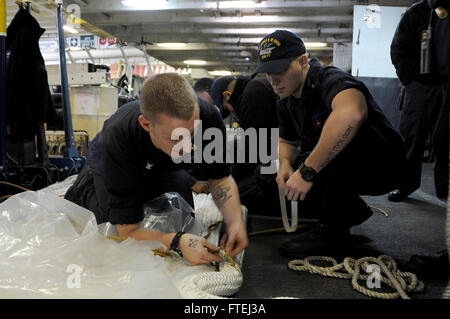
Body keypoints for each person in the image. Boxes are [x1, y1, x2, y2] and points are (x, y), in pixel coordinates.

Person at [65, 73, 248, 266]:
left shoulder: (207, 117)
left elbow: (219, 178)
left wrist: (234, 220)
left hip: (161, 162)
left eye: (192, 134)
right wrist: (176, 241)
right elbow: (128, 230)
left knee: (182, 218)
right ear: (146, 124)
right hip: (111, 159)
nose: (187, 148)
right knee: (110, 227)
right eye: (176, 138)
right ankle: (86, 187)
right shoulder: (117, 137)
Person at [252, 30, 406, 255]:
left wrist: (307, 172)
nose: (273, 80)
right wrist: (284, 164)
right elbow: (287, 140)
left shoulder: (329, 79)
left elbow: (352, 113)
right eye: (268, 73)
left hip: (382, 164)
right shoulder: (285, 101)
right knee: (267, 174)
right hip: (342, 167)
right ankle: (348, 210)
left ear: (303, 61)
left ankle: (332, 231)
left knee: (332, 144)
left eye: (280, 70)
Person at [389, 0, 448, 201]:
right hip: (420, 85)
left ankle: (445, 188)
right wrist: (410, 81)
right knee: (412, 137)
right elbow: (398, 48)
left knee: (444, 139)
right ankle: (406, 185)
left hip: (446, 83)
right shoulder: (415, 13)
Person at [209, 75, 280, 215]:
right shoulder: (254, 87)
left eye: (228, 108)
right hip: (279, 151)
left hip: (285, 157)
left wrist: (228, 183)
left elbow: (251, 151)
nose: (232, 112)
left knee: (243, 192)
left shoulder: (251, 96)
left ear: (227, 95)